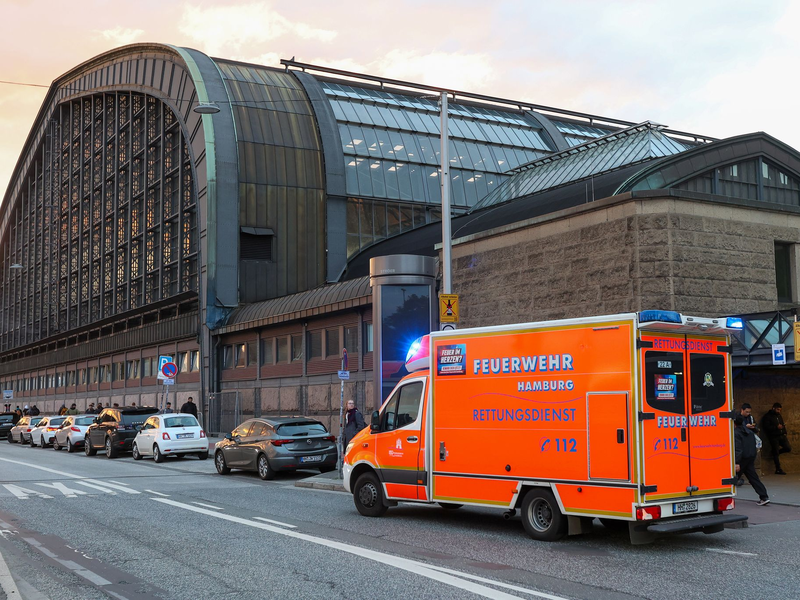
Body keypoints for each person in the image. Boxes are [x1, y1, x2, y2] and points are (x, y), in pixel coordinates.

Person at [734, 415, 770, 506]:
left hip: (742, 459)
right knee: (753, 478)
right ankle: (764, 496)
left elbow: (738, 449)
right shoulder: (749, 432)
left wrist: (737, 462)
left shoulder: (735, 433)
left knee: (733, 478)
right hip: (750, 457)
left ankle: (723, 497)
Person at [762, 402, 791, 475]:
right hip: (774, 436)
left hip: (781, 435)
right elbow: (766, 427)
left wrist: (784, 431)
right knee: (776, 453)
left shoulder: (779, 416)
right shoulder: (768, 416)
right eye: (778, 409)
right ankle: (778, 469)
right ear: (773, 408)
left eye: (780, 410)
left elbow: (782, 423)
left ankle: (774, 453)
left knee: (788, 448)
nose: (779, 411)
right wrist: (776, 427)